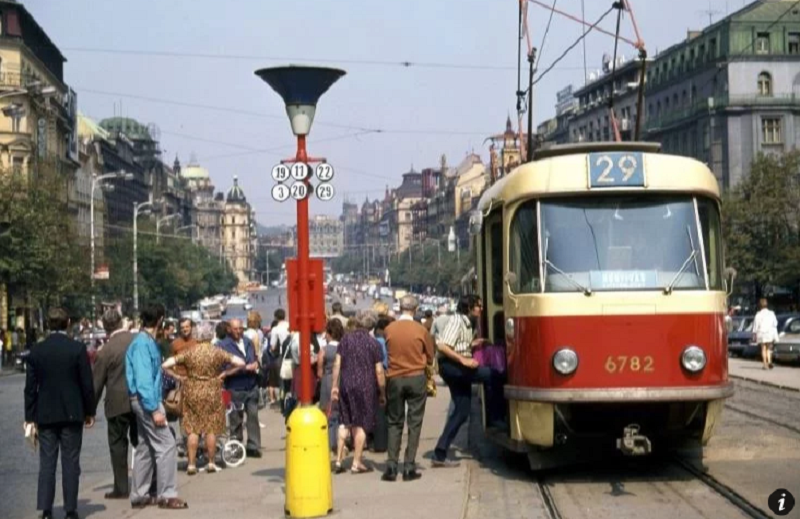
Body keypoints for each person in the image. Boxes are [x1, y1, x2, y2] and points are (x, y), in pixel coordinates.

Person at [24, 308, 95, 519]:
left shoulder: (37, 350)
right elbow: (86, 384)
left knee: (47, 463)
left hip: (45, 415)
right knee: (71, 462)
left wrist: (29, 417)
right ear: (68, 323)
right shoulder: (77, 348)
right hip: (73, 413)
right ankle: (70, 509)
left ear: (47, 324)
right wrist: (89, 411)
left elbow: (30, 388)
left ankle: (46, 510)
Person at [125, 304, 187, 510]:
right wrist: (154, 410)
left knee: (145, 447)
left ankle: (140, 494)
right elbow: (144, 380)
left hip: (142, 399)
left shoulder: (144, 342)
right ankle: (167, 494)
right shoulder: (143, 344)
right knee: (167, 444)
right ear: (160, 320)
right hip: (147, 400)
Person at [162, 322, 245, 475]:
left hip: (192, 391)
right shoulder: (217, 352)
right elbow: (240, 362)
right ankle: (211, 462)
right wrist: (225, 373)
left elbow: (166, 364)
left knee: (193, 429)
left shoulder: (190, 352)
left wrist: (179, 376)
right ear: (210, 335)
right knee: (211, 429)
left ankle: (192, 464)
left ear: (197, 336)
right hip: (212, 391)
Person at [432, 295, 497, 468]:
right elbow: (442, 345)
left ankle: (439, 453)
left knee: (462, 411)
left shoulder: (468, 324)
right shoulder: (457, 321)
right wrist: (463, 360)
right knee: (492, 375)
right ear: (468, 307)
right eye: (478, 306)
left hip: (456, 367)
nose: (481, 309)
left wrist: (474, 343)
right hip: (453, 367)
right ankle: (496, 418)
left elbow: (459, 343)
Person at [382, 296, 435, 482]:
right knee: (414, 422)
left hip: (395, 378)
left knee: (394, 422)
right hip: (416, 377)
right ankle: (409, 466)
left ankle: (391, 465)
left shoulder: (389, 329)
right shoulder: (421, 330)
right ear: (415, 309)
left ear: (399, 308)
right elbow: (430, 357)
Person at [330, 310, 386, 474]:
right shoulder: (373, 344)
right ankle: (356, 462)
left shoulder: (346, 340)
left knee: (344, 421)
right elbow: (379, 371)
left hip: (346, 385)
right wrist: (382, 392)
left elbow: (337, 364)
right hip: (366, 387)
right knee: (361, 424)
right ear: (373, 325)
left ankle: (339, 460)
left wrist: (335, 385)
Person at [93, 309, 137, 499]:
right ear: (120, 322)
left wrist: (89, 411)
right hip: (139, 399)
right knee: (142, 442)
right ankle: (148, 481)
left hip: (116, 404)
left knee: (118, 445)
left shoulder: (106, 351)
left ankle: (121, 487)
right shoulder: (137, 341)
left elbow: (97, 384)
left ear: (105, 327)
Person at [217, 318, 262, 458]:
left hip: (251, 385)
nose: (238, 332)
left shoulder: (248, 341)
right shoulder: (222, 345)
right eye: (235, 329)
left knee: (253, 416)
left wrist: (256, 364)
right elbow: (223, 368)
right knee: (236, 419)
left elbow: (253, 357)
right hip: (234, 386)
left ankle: (253, 446)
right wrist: (243, 368)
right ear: (229, 329)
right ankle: (236, 446)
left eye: (240, 328)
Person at [267, 310, 290, 406]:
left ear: (275, 317)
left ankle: (282, 401)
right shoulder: (289, 325)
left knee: (282, 381)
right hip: (291, 354)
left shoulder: (275, 329)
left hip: (281, 356)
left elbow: (272, 346)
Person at [752, 297, 779, 370]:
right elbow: (775, 323)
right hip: (769, 333)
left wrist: (754, 334)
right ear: (767, 305)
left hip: (761, 333)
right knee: (768, 348)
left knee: (763, 349)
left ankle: (765, 364)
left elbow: (755, 325)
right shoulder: (771, 313)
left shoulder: (758, 314)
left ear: (760, 305)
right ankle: (769, 361)